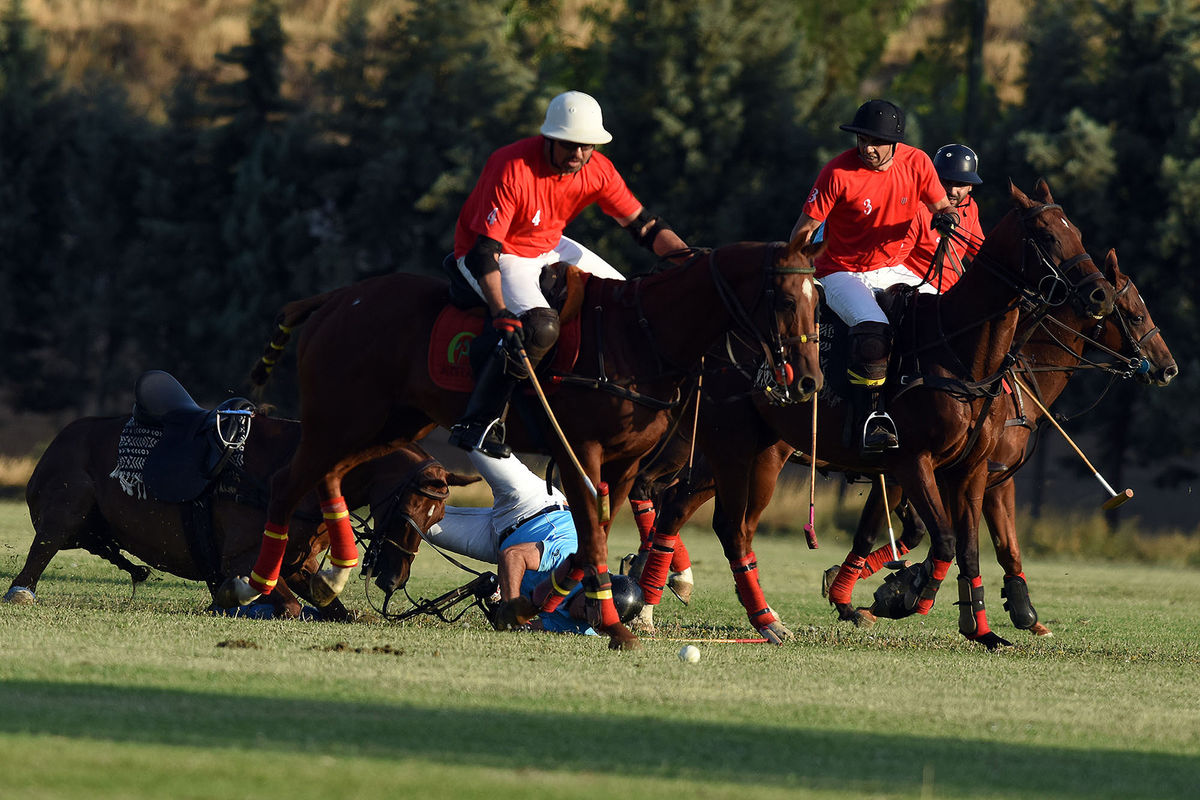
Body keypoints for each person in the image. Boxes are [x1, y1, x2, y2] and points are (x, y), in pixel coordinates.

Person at [448, 90, 690, 459]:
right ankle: (480, 422)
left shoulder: (597, 170)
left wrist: (689, 261)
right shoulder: (512, 166)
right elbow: (485, 252)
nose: (577, 154)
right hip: (496, 252)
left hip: (548, 244)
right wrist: (500, 312)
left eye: (585, 146)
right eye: (568, 145)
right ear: (549, 139)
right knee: (540, 326)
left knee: (628, 300)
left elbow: (644, 226)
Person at [788, 99, 956, 452]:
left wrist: (946, 218)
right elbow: (803, 231)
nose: (867, 148)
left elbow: (942, 207)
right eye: (862, 140)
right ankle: (871, 418)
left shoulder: (918, 163)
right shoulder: (837, 173)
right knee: (873, 331)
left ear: (894, 142)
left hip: (893, 267)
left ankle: (931, 402)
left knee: (942, 317)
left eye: (876, 142)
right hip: (840, 270)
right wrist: (797, 269)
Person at [421, 449, 643, 634]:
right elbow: (513, 556)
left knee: (417, 522)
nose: (584, 617)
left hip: (498, 540)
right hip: (530, 505)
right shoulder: (572, 558)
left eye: (595, 621)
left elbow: (525, 629)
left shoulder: (583, 626)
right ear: (596, 588)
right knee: (477, 442)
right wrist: (510, 606)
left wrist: (499, 604)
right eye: (589, 609)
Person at [893, 143, 985, 293]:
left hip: (951, 294)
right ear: (933, 179)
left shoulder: (970, 207)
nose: (952, 191)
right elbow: (896, 261)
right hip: (916, 288)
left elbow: (980, 254)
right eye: (946, 182)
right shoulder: (919, 208)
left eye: (960, 184)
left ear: (970, 186)